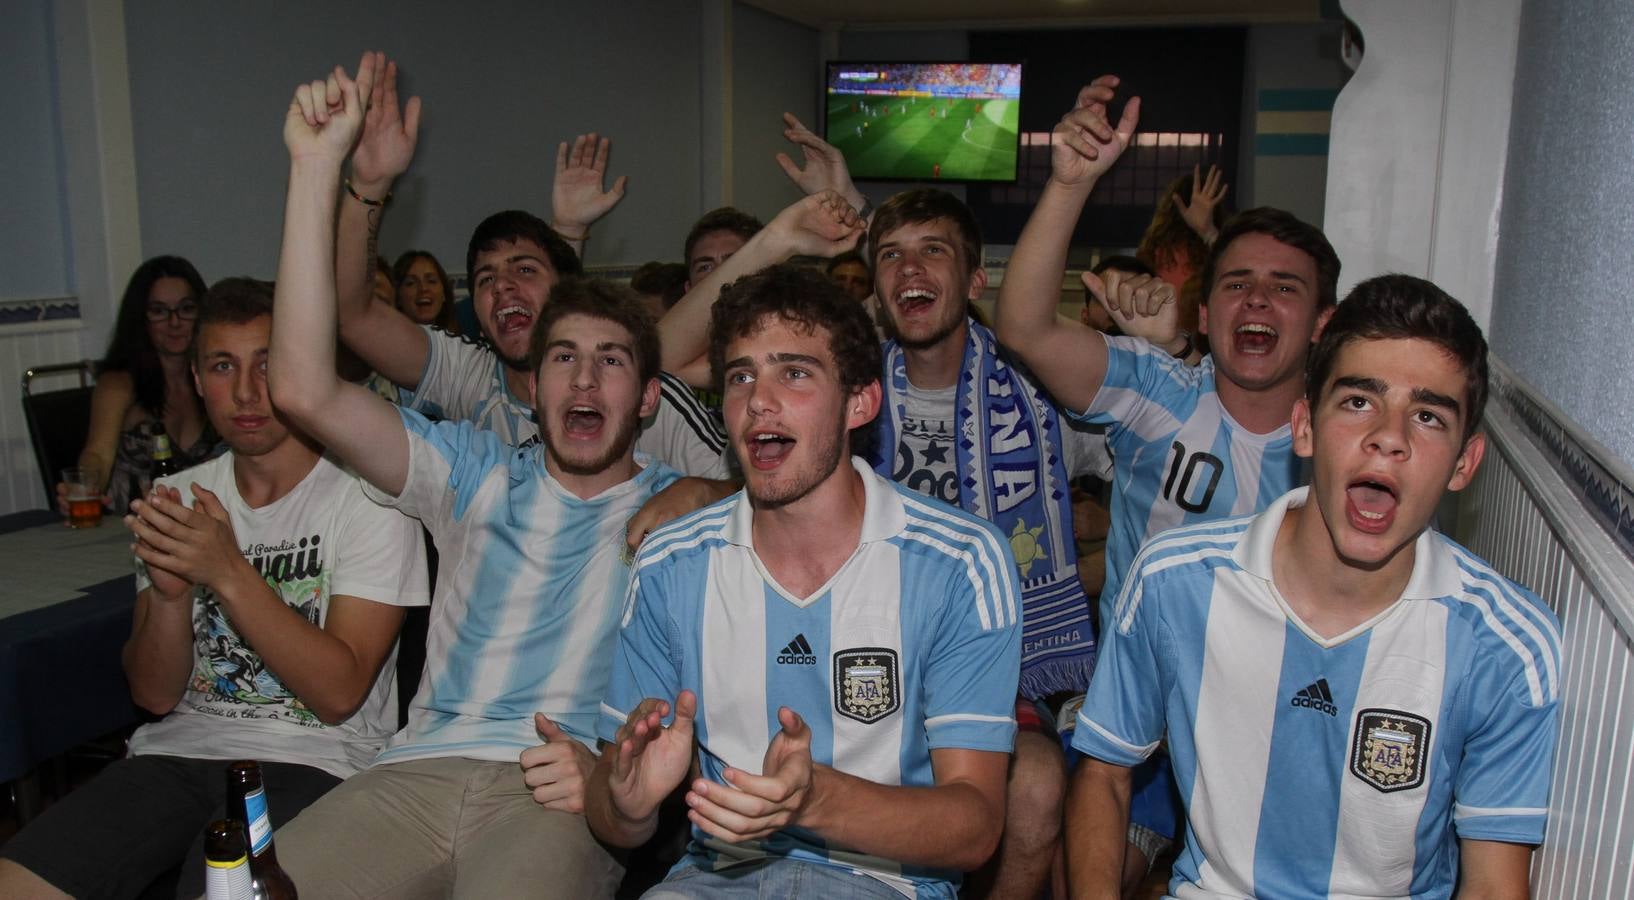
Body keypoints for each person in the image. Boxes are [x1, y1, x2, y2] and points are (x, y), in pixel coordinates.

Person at [654, 115, 1118, 900]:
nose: (911, 268)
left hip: (987, 655)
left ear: (975, 280)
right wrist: (782, 240)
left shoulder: (1042, 391)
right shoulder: (840, 386)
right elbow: (662, 360)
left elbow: (1139, 493)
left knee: (1033, 789)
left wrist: (1091, 533)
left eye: (934, 250)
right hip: (854, 645)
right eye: (891, 255)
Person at [264, 57, 680, 896]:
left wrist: (706, 494)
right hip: (409, 774)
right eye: (564, 358)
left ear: (648, 400)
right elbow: (302, 386)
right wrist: (317, 173)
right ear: (536, 382)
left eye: (611, 361)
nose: (586, 380)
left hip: (559, 790)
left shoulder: (686, 510)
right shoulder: (472, 468)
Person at [1069, 274, 1562, 898]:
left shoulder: (1507, 645)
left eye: (1429, 416)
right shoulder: (1176, 582)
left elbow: (1494, 883)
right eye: (1359, 401)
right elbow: (1105, 773)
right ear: (1303, 427)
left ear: (1464, 463)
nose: (1389, 437)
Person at [993, 76, 1341, 890]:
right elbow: (1025, 328)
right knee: (1089, 873)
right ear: (1204, 309)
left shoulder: (1349, 441)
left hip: (1278, 734)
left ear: (1324, 323)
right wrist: (1071, 182)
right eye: (1236, 283)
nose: (1256, 298)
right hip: (1137, 731)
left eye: (1283, 288)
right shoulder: (1158, 393)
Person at [587, 264, 1022, 899]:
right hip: (714, 879)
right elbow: (609, 806)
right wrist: (627, 804)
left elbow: (976, 826)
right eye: (741, 376)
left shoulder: (958, 561)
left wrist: (814, 799)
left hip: (887, 885)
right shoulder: (672, 564)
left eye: (794, 373)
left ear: (860, 402)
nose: (758, 400)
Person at [0, 278, 429, 900]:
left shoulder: (371, 495)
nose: (248, 392)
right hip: (174, 754)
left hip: (315, 761)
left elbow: (338, 694)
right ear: (199, 381)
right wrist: (172, 599)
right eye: (224, 366)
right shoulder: (178, 499)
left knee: (217, 893)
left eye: (268, 364)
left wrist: (228, 571)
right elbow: (152, 694)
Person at [330, 52, 726, 477]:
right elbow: (354, 315)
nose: (501, 286)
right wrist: (369, 187)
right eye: (485, 279)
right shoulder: (470, 375)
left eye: (523, 269)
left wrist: (699, 493)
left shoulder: (645, 396)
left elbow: (751, 502)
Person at [57, 256, 216, 515]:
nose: (174, 322)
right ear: (140, 319)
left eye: (186, 309)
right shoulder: (118, 383)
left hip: (207, 522)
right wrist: (83, 486)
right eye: (159, 311)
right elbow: (97, 454)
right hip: (131, 523)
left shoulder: (217, 378)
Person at [392, 249, 460, 333]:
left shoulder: (460, 344)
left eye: (431, 281)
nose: (423, 288)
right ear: (398, 297)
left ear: (444, 294)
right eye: (411, 283)